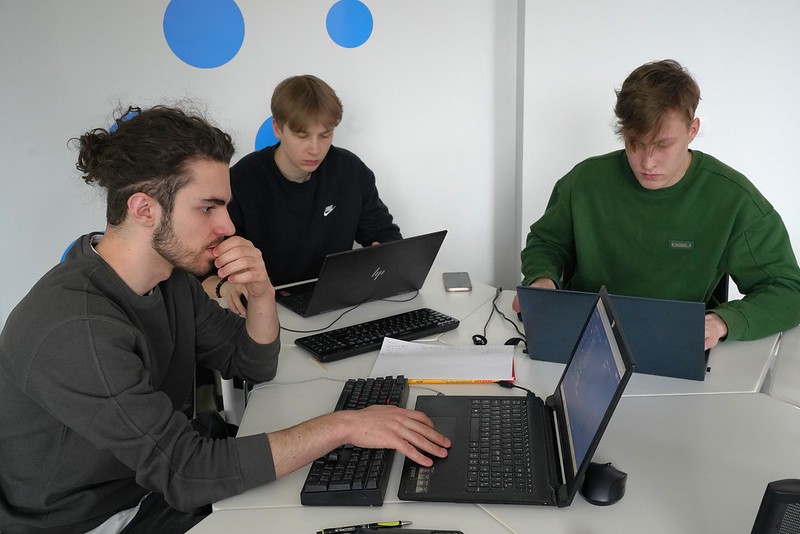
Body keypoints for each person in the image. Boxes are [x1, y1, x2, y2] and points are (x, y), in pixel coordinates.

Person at [0, 106, 449, 534]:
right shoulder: (75, 328)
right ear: (143, 209)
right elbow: (187, 472)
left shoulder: (170, 279)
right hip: (97, 521)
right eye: (208, 207)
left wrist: (262, 293)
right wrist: (344, 425)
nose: (228, 226)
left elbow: (252, 364)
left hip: (151, 491)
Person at [513, 59, 800, 350]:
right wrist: (542, 280)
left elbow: (788, 290)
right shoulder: (584, 181)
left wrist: (722, 322)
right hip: (585, 338)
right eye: (635, 143)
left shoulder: (733, 199)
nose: (648, 162)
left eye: (663, 145)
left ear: (692, 130)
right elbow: (547, 243)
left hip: (676, 343)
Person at [202, 75, 402, 314]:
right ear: (278, 128)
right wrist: (223, 286)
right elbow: (205, 267)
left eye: (325, 135)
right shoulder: (239, 181)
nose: (315, 149)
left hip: (337, 304)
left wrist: (384, 255)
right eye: (302, 135)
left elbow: (386, 236)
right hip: (265, 308)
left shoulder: (350, 171)